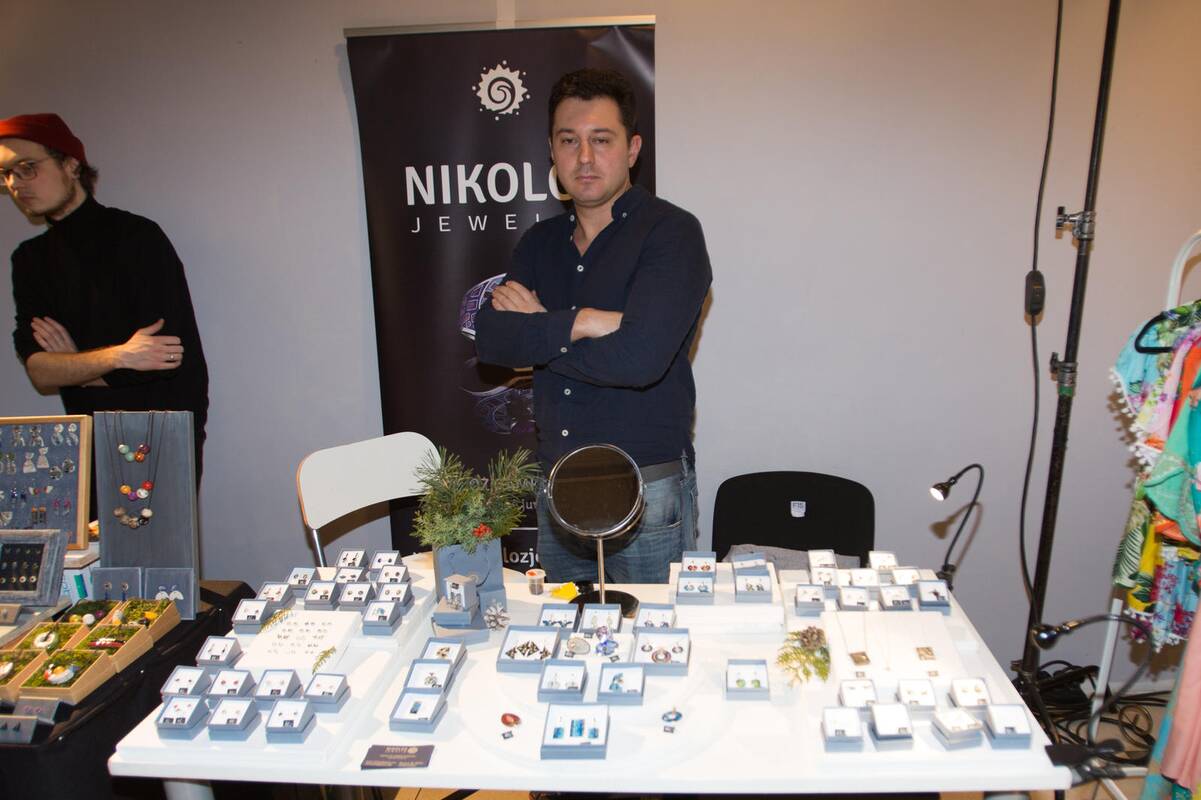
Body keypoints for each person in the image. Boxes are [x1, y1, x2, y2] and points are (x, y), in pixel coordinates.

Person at [474, 69, 712, 584]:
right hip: (557, 487)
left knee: (653, 632)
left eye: (601, 140)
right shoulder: (538, 244)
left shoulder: (672, 233)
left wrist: (540, 329)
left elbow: (641, 360)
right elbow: (491, 341)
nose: (584, 157)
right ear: (552, 151)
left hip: (648, 491)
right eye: (569, 141)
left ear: (632, 149)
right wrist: (584, 322)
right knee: (565, 631)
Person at [0, 113, 209, 487]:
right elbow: (40, 372)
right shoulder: (29, 260)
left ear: (71, 164)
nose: (16, 184)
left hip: (160, 436)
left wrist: (73, 368)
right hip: (85, 442)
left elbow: (164, 359)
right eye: (6, 174)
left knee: (154, 528)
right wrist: (119, 356)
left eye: (28, 168)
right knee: (84, 528)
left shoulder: (136, 237)